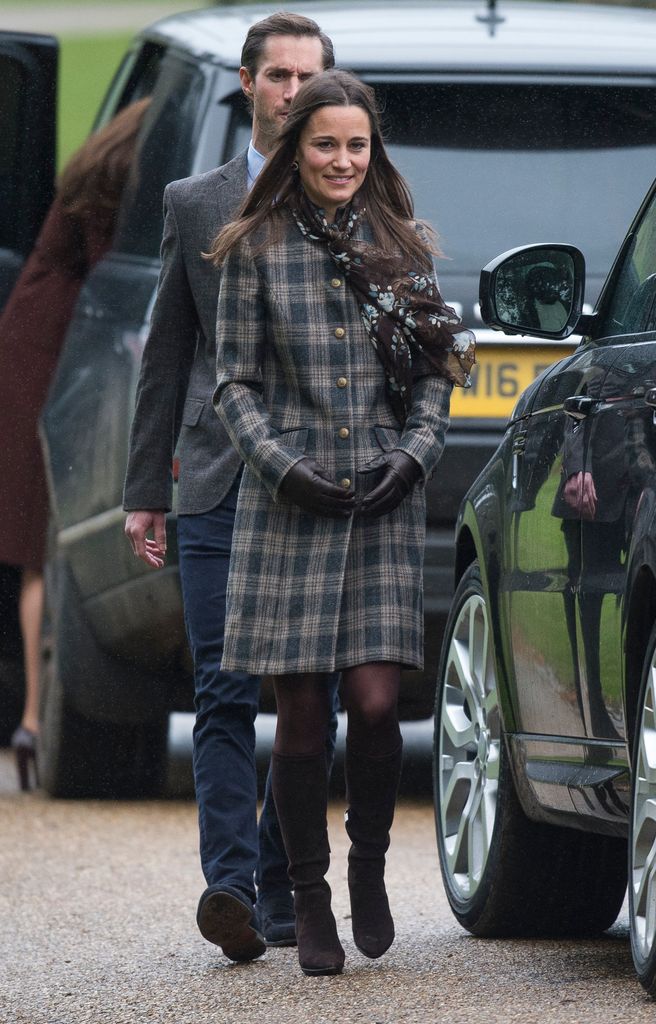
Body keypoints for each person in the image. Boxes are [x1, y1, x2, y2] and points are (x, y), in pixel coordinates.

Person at [209, 69, 475, 976]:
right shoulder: (251, 246)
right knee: (300, 724)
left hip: (382, 503)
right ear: (296, 147)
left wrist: (416, 453)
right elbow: (233, 383)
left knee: (372, 705)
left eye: (356, 145)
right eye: (325, 143)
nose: (342, 160)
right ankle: (309, 896)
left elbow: (438, 373)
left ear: (375, 149)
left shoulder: (405, 244)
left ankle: (367, 869)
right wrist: (282, 466)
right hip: (290, 509)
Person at [123, 13, 338, 961]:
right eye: (280, 77)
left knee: (308, 693)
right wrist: (146, 489)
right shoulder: (195, 202)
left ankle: (293, 887)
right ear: (248, 84)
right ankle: (232, 888)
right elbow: (166, 353)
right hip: (216, 475)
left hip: (321, 481)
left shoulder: (350, 188)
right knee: (222, 685)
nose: (295, 93)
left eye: (310, 77)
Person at [0, 97, 151, 792]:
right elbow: (107, 277)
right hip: (52, 349)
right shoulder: (126, 171)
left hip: (31, 336)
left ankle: (33, 716)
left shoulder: (98, 160)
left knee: (39, 548)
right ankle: (34, 710)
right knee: (45, 544)